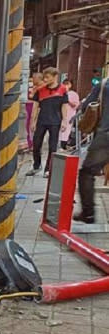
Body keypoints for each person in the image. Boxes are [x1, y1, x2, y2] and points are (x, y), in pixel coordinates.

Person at [74, 76, 109, 224]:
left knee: (87, 172)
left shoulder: (105, 83)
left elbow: (86, 106)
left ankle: (88, 214)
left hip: (105, 137)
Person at [27, 67, 68, 177]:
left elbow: (64, 106)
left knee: (52, 147)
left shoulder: (63, 89)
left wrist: (65, 121)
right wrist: (32, 122)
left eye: (48, 77)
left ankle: (48, 169)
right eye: (44, 77)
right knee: (36, 144)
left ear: (55, 77)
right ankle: (36, 165)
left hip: (55, 121)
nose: (45, 79)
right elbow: (35, 107)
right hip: (41, 120)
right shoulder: (40, 90)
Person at [59, 79, 80, 150]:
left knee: (66, 130)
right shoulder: (60, 93)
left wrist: (68, 101)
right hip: (60, 114)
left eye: (67, 84)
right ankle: (60, 145)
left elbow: (76, 105)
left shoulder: (73, 94)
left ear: (70, 85)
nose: (65, 86)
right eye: (64, 84)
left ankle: (64, 145)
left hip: (69, 115)